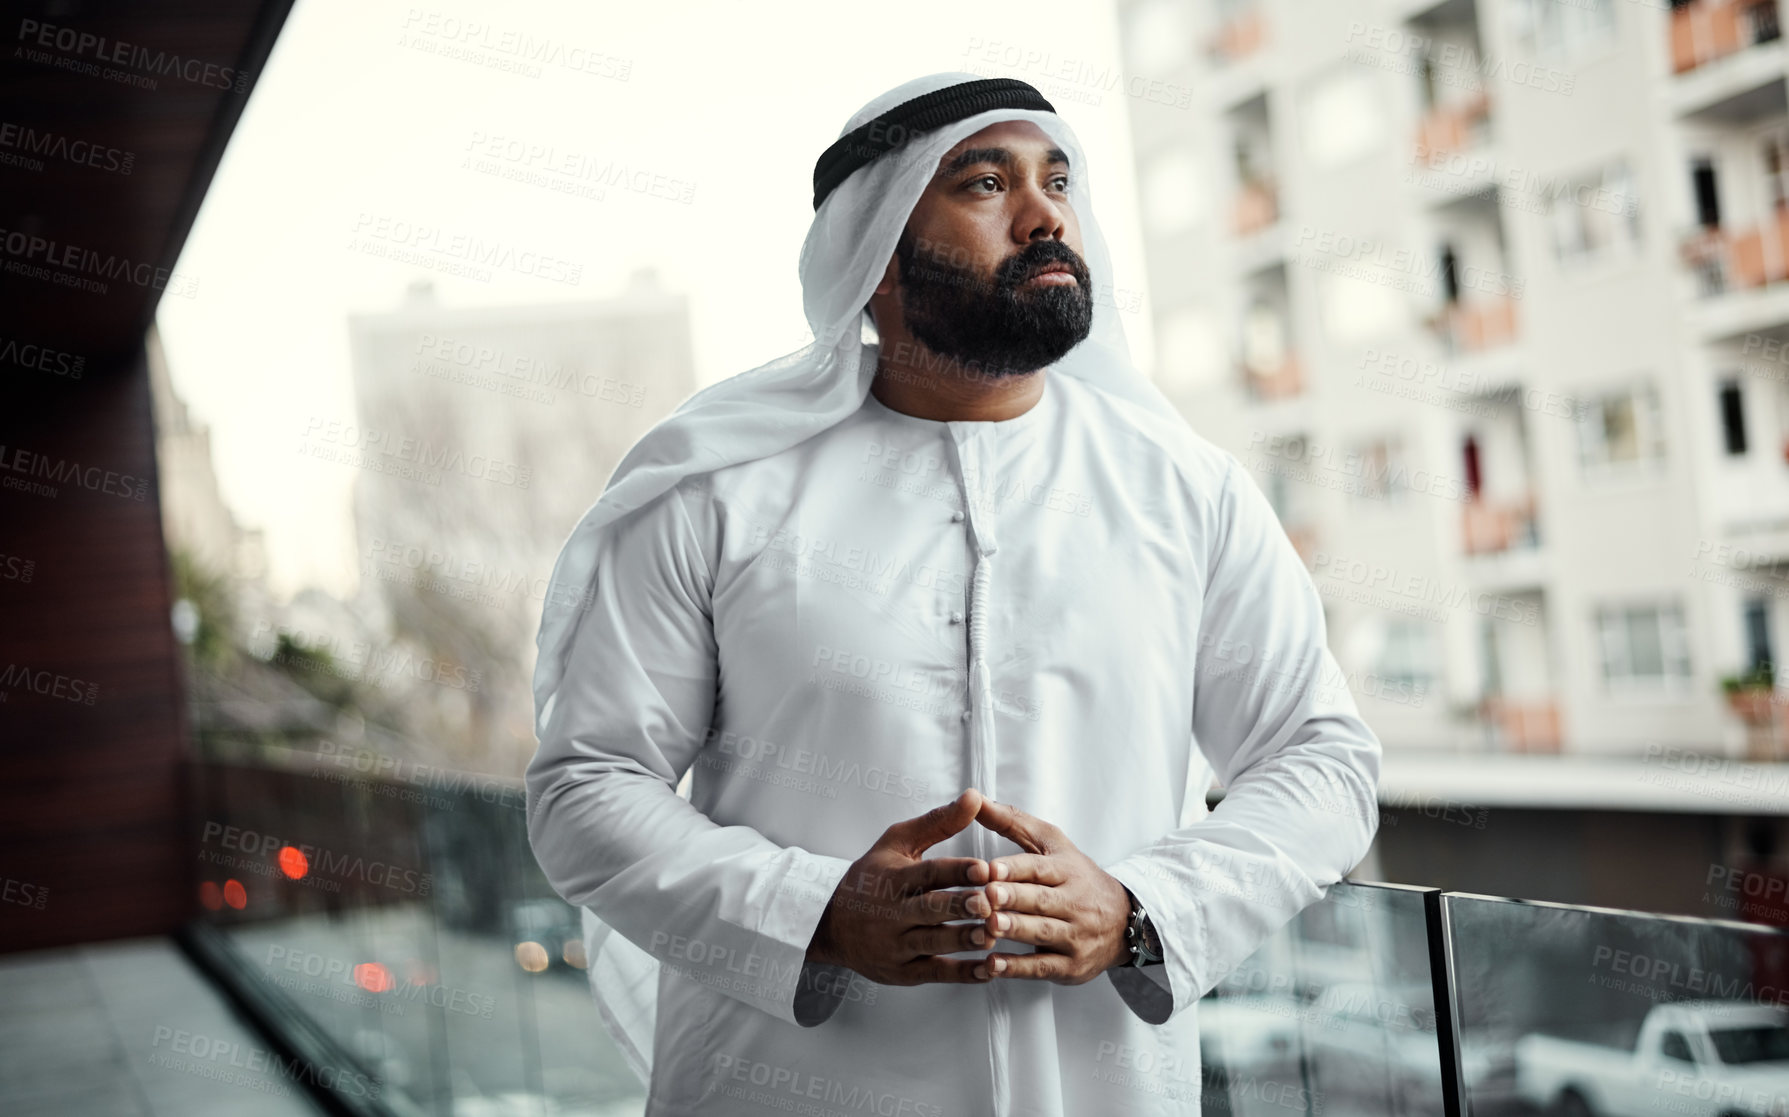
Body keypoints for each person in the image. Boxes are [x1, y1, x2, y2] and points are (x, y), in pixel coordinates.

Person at [524, 71, 1382, 1117]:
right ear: (875, 249)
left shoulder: (1183, 488)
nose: (1045, 215)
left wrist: (1141, 907)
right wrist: (822, 912)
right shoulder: (714, 487)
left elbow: (1321, 761)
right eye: (986, 184)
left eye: (1056, 180)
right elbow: (587, 788)